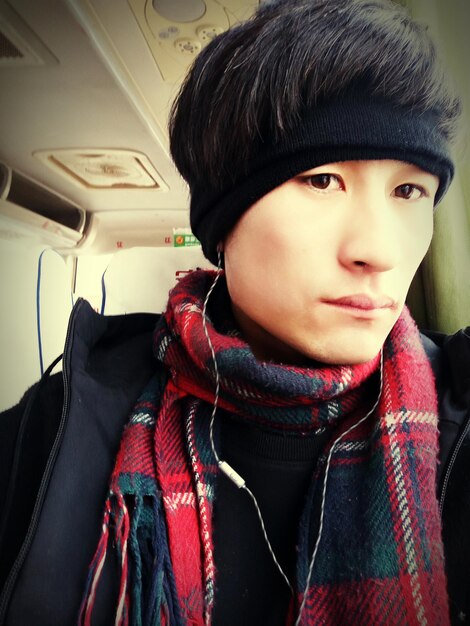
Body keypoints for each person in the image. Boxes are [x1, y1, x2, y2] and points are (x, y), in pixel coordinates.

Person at [0, 0, 469, 624]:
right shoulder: (58, 426)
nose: (378, 252)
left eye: (409, 191)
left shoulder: (458, 419)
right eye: (322, 180)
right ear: (224, 220)